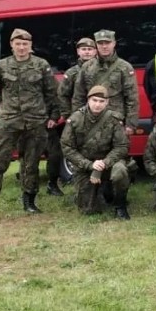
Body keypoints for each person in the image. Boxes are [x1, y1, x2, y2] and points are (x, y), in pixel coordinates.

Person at [0, 28, 60, 223]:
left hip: (35, 120)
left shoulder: (40, 65)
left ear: (30, 45)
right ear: (11, 45)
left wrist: (53, 115)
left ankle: (29, 201)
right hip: (9, 120)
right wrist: (0, 112)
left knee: (31, 163)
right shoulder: (2, 66)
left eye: (25, 44)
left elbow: (51, 92)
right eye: (17, 44)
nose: (21, 48)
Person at [60, 84, 131, 220]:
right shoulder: (75, 119)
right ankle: (94, 192)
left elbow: (122, 146)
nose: (97, 104)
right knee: (88, 210)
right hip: (86, 166)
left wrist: (104, 163)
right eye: (94, 100)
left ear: (107, 102)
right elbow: (67, 147)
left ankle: (120, 206)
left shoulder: (114, 119)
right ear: (88, 100)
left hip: (109, 163)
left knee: (120, 170)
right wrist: (89, 165)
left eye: (101, 101)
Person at [44, 36, 98, 196]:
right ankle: (56, 183)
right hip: (78, 120)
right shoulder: (72, 73)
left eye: (90, 49)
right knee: (68, 152)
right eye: (83, 49)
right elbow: (62, 95)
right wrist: (68, 116)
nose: (87, 52)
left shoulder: (101, 69)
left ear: (95, 51)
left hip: (98, 118)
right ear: (78, 52)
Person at [71, 30, 140, 136]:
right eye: (100, 43)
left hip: (116, 121)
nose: (104, 46)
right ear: (96, 45)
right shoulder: (87, 67)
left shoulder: (124, 67)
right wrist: (77, 120)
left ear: (114, 43)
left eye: (107, 43)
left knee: (118, 151)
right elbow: (78, 96)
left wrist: (130, 124)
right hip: (90, 121)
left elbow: (132, 98)